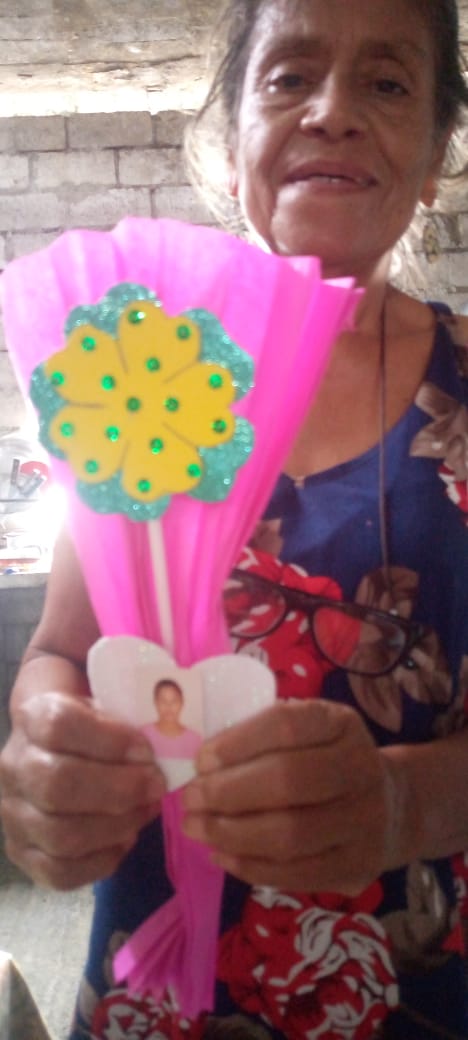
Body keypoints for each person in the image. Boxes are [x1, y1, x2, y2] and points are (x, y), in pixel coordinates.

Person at [1, 0, 468, 1036]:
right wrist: (43, 749)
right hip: (154, 976)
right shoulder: (134, 373)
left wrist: (403, 804)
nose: (331, 109)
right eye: (289, 77)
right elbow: (61, 652)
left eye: (387, 82)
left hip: (406, 980)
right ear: (232, 138)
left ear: (438, 154)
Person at [141, 679, 202, 758]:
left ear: (182, 703)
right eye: (163, 701)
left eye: (174, 701)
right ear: (155, 703)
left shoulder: (195, 740)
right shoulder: (143, 735)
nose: (168, 706)